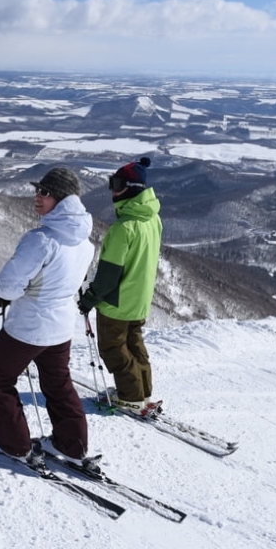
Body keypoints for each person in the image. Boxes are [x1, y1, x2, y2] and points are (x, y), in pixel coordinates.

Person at [0, 167, 96, 465]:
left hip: (28, 326)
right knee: (58, 384)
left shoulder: (41, 239)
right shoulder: (85, 242)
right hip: (61, 327)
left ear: (63, 200)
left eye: (45, 192)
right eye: (38, 190)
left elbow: (8, 286)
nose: (38, 197)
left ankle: (15, 445)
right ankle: (72, 446)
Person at [78, 157, 163, 414]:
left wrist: (89, 298)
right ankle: (142, 392)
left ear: (132, 187)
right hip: (140, 299)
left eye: (116, 184)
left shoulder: (123, 229)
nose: (112, 190)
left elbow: (108, 275)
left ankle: (130, 396)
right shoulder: (153, 220)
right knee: (134, 344)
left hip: (116, 302)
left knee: (113, 348)